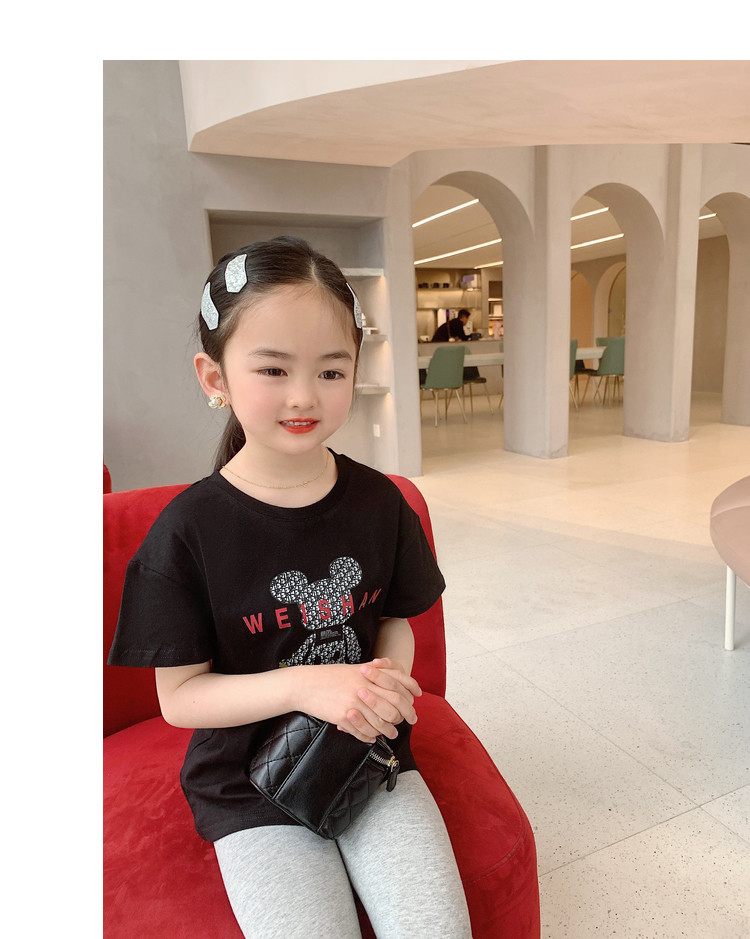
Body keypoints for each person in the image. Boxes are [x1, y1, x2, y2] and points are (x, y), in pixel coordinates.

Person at [108, 236, 472, 939]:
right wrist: (309, 685)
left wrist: (382, 681)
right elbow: (180, 699)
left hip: (368, 750)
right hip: (246, 782)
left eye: (331, 370)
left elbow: (396, 620)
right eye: (273, 368)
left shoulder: (382, 503)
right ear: (214, 376)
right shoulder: (185, 535)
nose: (304, 396)